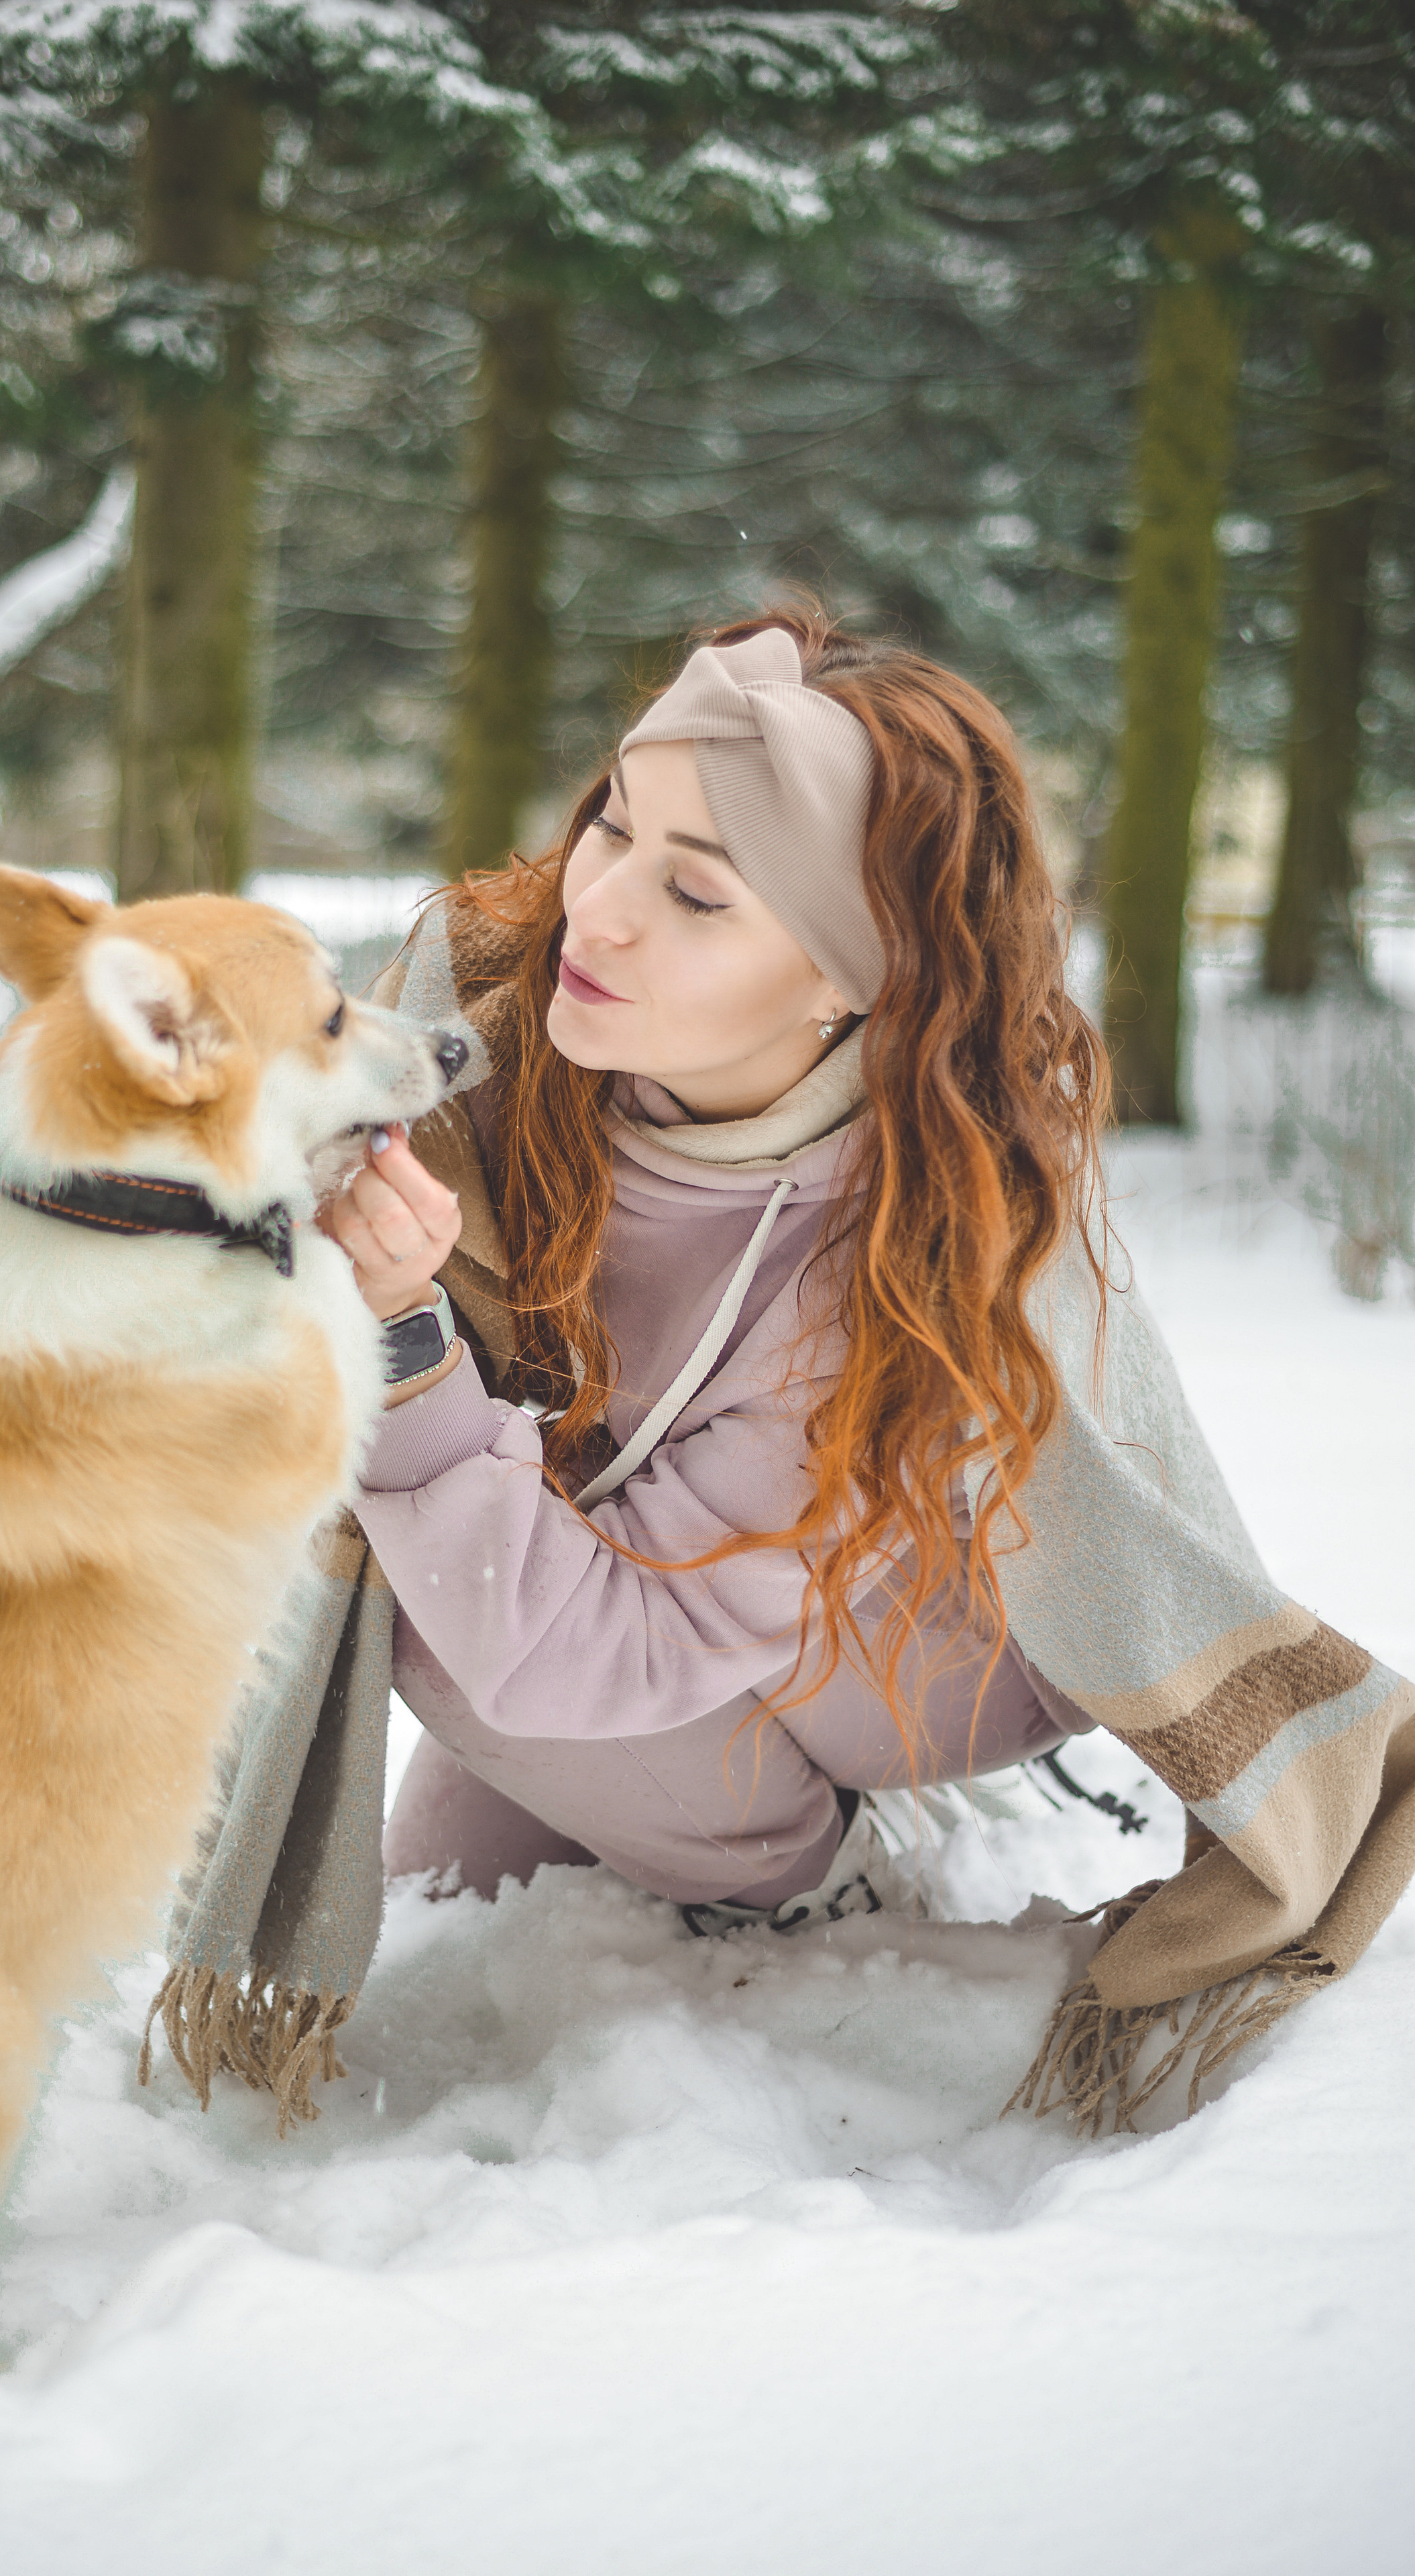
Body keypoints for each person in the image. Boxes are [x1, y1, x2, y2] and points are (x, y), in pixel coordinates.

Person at [317, 610, 1110, 1923]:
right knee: (448, 1893)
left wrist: (403, 1333)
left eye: (695, 893)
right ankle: (692, 1806)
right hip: (616, 1547)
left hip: (906, 1665)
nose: (598, 911)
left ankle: (798, 1875)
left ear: (850, 982)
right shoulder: (495, 1040)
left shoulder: (885, 1260)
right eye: (616, 825)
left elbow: (560, 1641)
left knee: (441, 1618)